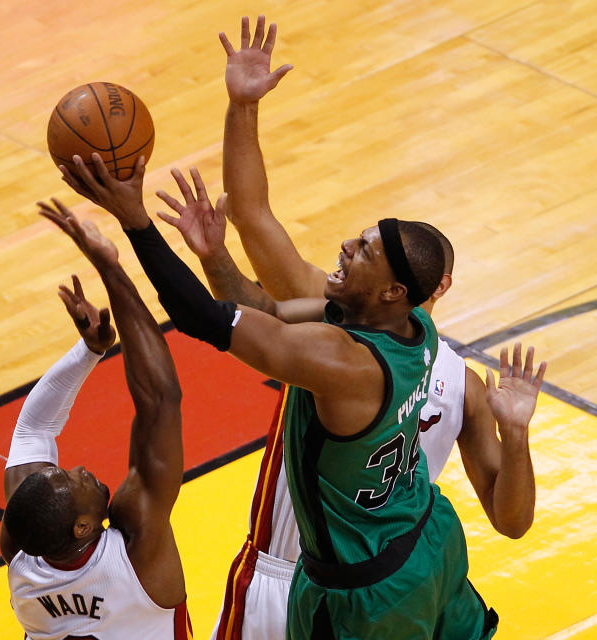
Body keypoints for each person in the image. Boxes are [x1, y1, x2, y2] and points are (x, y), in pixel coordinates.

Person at [55, 149, 542, 639]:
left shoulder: (346, 363)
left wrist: (135, 221)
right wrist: (213, 254)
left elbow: (202, 318)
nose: (348, 245)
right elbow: (266, 310)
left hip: (368, 591)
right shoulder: (416, 328)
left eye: (366, 250)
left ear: (393, 291)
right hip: (427, 535)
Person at [188, 16, 543, 640]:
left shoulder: (382, 350)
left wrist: (516, 437)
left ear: (409, 289)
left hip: (324, 580)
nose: (347, 250)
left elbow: (251, 217)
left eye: (371, 249)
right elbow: (251, 216)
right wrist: (242, 108)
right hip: (380, 581)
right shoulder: (356, 324)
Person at [0, 204, 192, 640]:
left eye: (62, 472)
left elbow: (34, 431)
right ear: (83, 527)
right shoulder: (136, 553)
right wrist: (110, 268)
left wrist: (89, 350)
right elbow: (161, 399)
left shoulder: (23, 554)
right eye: (73, 481)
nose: (80, 470)